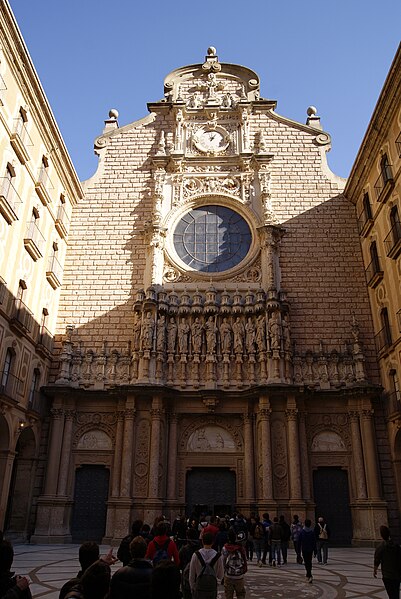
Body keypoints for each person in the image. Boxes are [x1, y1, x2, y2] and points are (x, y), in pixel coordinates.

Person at [189, 532, 223, 599]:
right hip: (212, 588)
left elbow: (191, 575)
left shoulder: (196, 555)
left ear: (202, 541)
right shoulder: (218, 556)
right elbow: (221, 575)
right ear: (213, 542)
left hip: (199, 588)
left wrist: (192, 587)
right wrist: (216, 583)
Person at [373, 525, 401, 599]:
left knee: (391, 595)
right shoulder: (396, 545)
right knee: (396, 594)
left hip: (387, 575)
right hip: (397, 574)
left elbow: (377, 559)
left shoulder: (381, 547)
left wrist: (375, 570)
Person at [221, 528, 247, 599]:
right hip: (239, 576)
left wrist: (223, 574)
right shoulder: (240, 548)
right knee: (241, 594)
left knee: (228, 595)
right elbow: (244, 560)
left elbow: (223, 561)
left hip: (229, 575)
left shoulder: (225, 548)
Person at [179, 528, 202, 599]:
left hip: (187, 578)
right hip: (199, 577)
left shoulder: (183, 549)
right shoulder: (201, 549)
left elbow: (179, 564)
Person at [299, 519, 317, 584]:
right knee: (309, 561)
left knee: (306, 562)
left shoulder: (302, 532)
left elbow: (299, 541)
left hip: (304, 549)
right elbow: (314, 542)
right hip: (310, 549)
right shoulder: (312, 532)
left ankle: (309, 574)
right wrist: (315, 551)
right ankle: (309, 574)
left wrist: (298, 551)